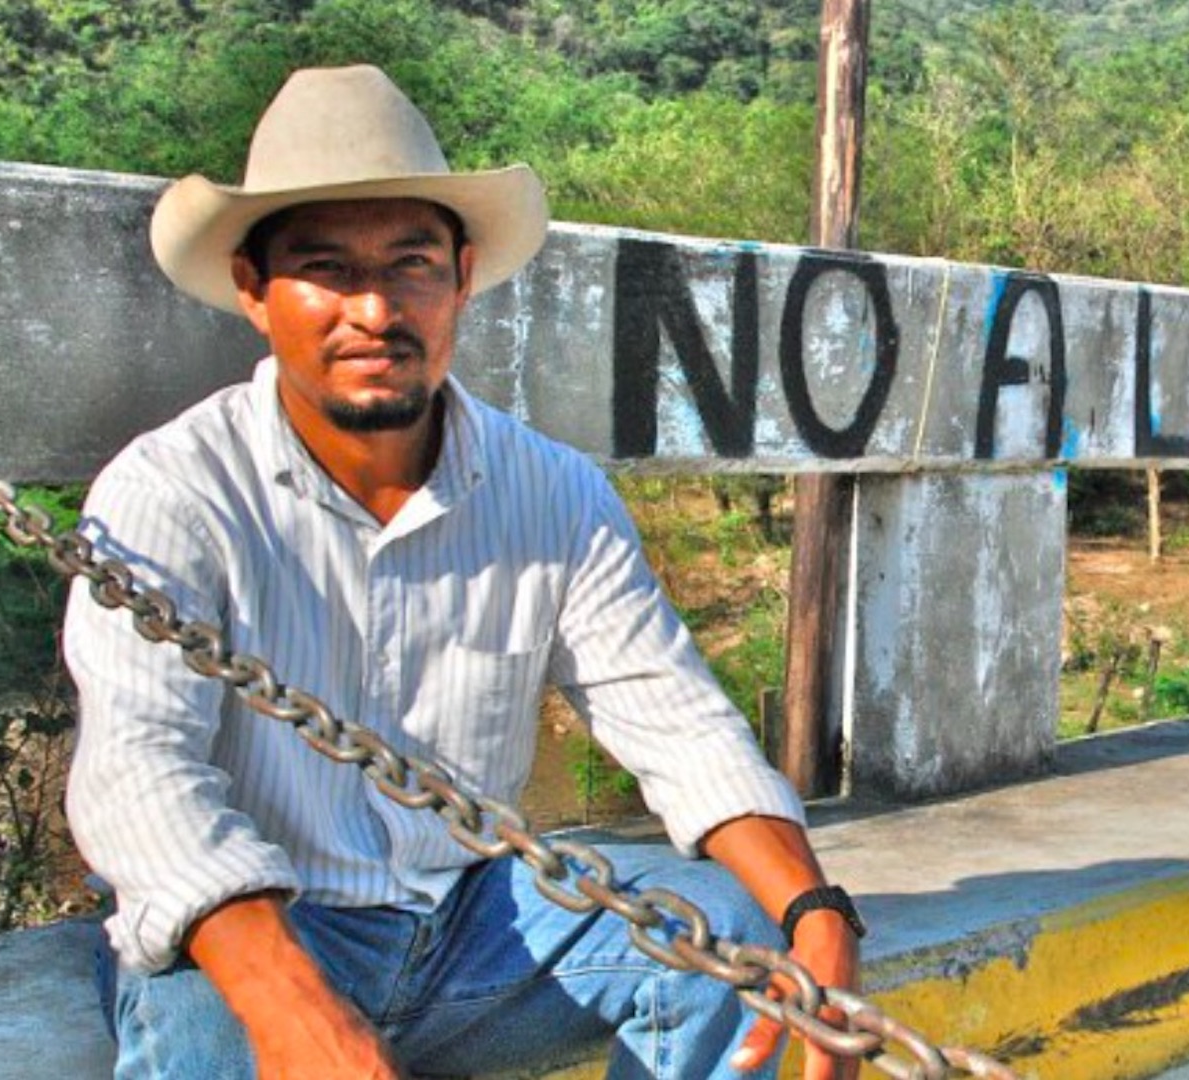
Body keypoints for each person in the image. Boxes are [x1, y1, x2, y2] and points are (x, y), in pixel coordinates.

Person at [63, 64, 862, 1080]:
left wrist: (816, 909)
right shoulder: (170, 492)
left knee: (737, 936)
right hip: (260, 928)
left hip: (481, 925)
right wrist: (295, 1006)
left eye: (410, 264)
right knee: (210, 1025)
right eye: (324, 268)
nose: (372, 309)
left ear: (463, 276)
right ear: (254, 292)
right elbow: (140, 776)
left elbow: (681, 724)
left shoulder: (554, 494)